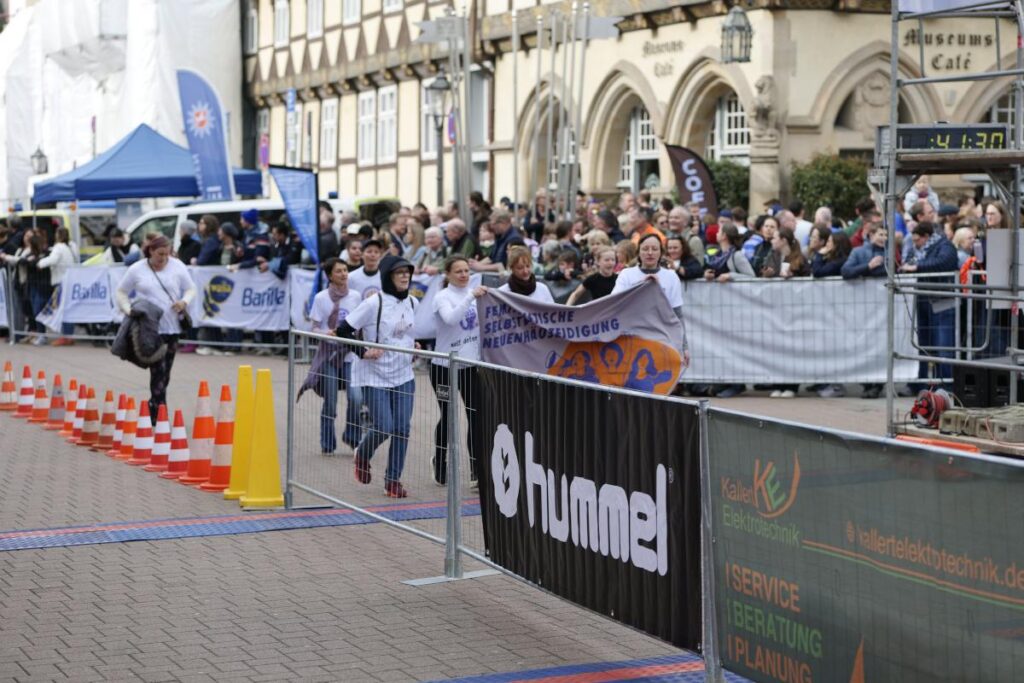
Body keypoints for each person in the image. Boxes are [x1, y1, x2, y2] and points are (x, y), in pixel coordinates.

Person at [336, 255, 419, 498]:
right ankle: (363, 453)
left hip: (403, 374)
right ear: (388, 277)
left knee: (402, 429)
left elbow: (405, 333)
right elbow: (343, 330)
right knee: (384, 427)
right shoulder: (374, 303)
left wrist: (415, 346)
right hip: (374, 374)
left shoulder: (413, 302)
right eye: (399, 272)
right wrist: (363, 351)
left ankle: (392, 481)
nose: (405, 276)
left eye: (407, 272)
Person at [115, 234, 196, 417]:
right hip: (149, 329)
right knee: (158, 370)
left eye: (167, 254)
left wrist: (184, 301)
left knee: (165, 373)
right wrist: (128, 309)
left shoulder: (177, 266)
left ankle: (154, 405)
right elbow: (121, 291)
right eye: (160, 254)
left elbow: (191, 288)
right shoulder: (137, 269)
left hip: (173, 328)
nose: (164, 258)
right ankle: (160, 413)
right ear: (150, 251)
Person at [429, 255, 486, 486]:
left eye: (466, 271)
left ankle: (476, 469)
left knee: (475, 415)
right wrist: (471, 296)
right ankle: (440, 462)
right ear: (448, 274)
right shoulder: (442, 297)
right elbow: (451, 319)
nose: (464, 275)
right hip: (444, 367)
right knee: (449, 416)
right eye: (458, 271)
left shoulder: (475, 294)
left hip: (469, 366)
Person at [309, 258, 364, 456]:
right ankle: (327, 443)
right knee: (330, 402)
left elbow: (360, 324)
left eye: (345, 270)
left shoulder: (356, 296)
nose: (344, 274)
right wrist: (327, 333)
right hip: (329, 356)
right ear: (330, 276)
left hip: (349, 354)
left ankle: (353, 437)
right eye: (339, 271)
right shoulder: (321, 298)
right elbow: (314, 328)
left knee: (356, 398)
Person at [611, 232, 690, 369]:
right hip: (632, 336)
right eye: (645, 249)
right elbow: (614, 303)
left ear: (661, 253)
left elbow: (677, 315)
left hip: (661, 338)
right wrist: (641, 286)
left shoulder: (671, 277)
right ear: (638, 252)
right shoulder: (626, 274)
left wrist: (684, 347)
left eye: (654, 249)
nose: (650, 253)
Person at [37, 227, 79, 346]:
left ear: (58, 235)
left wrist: (39, 263)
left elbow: (53, 259)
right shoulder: (72, 246)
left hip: (60, 281)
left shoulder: (59, 247)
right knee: (69, 308)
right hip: (70, 280)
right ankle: (69, 335)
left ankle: (65, 336)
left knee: (62, 308)